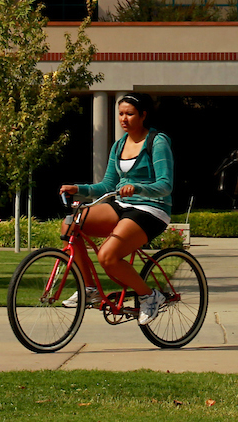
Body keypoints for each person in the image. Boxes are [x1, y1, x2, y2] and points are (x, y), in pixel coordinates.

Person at [61, 91, 176, 324]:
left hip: (152, 209)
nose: (124, 119)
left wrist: (138, 188)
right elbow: (107, 185)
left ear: (143, 115)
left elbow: (165, 185)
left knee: (107, 256)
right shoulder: (119, 145)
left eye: (130, 114)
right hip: (121, 204)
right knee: (69, 225)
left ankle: (150, 296)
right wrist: (77, 188)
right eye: (120, 114)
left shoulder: (158, 142)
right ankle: (90, 289)